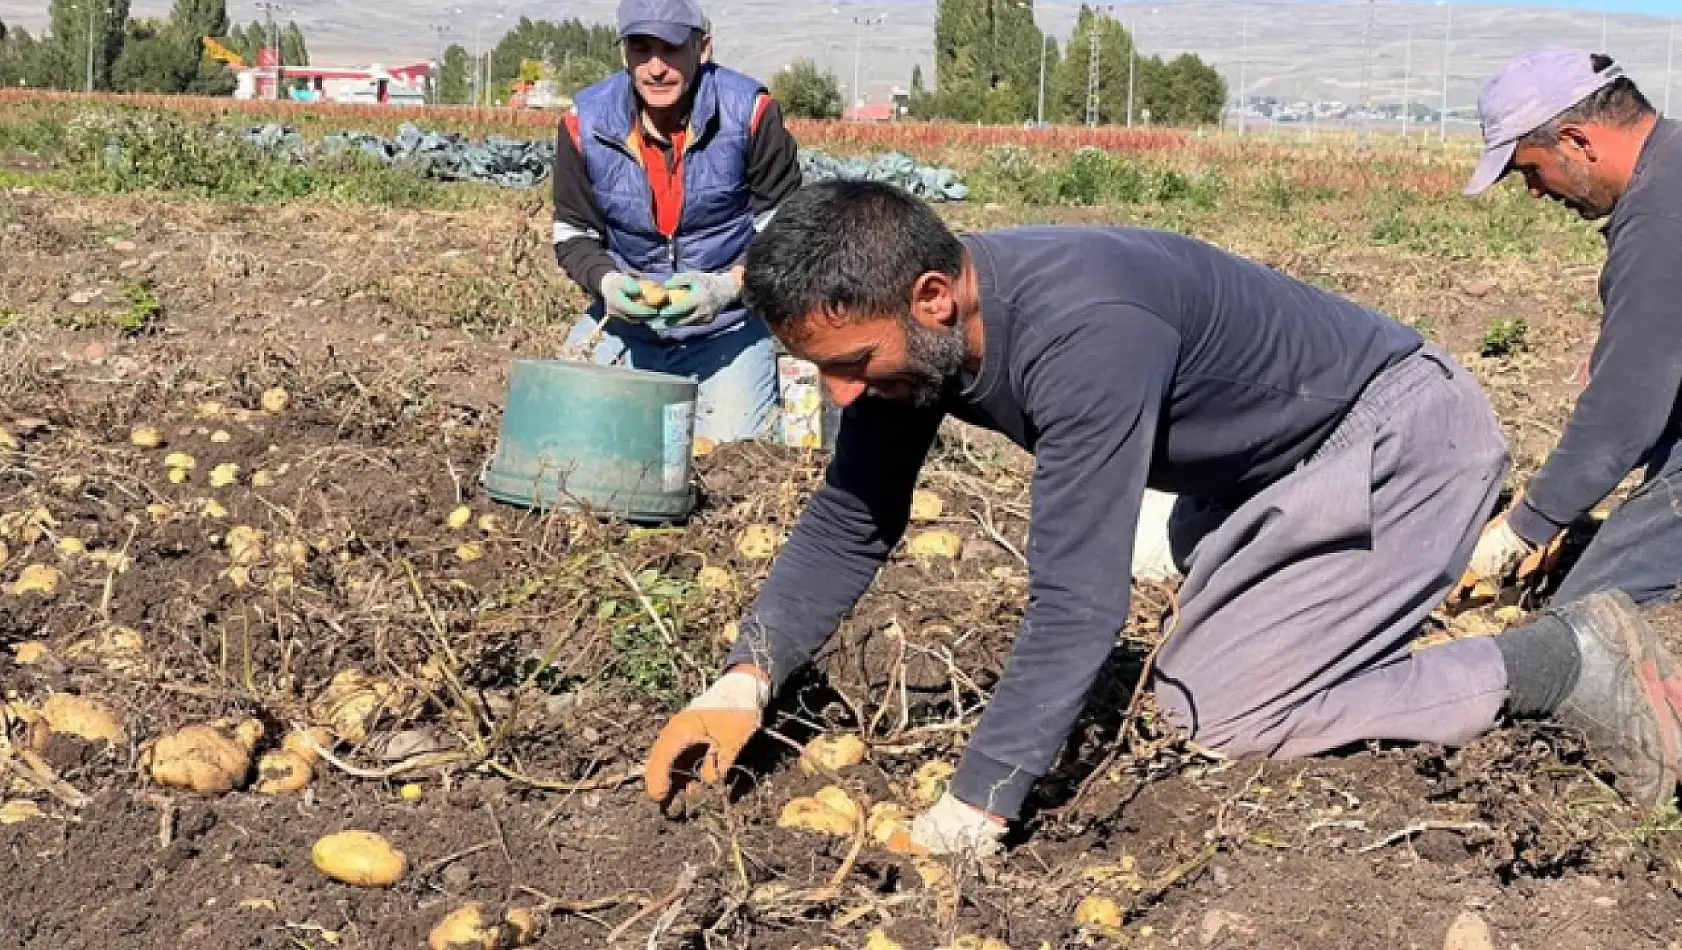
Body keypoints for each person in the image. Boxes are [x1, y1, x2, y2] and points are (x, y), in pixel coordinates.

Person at [641, 180, 1682, 860]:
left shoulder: (1081, 331)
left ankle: (1559, 660)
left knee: (1219, 709)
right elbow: (850, 517)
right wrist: (743, 678)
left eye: (847, 365)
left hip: (1400, 438)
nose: (835, 395)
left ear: (929, 295)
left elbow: (1074, 603)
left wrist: (974, 805)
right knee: (1142, 570)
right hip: (1258, 467)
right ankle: (1336, 602)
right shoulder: (921, 338)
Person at [1455, 48, 1682, 808]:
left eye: (1528, 170)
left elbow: (1626, 406)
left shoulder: (1662, 215)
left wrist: (1526, 527)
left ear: (1579, 141)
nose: (1532, 191)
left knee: (1579, 630)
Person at [551, 0, 802, 446]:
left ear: (702, 49)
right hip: (626, 325)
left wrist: (728, 287)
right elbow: (574, 232)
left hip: (727, 327)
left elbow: (785, 232)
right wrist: (608, 283)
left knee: (731, 452)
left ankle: (773, 395)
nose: (656, 68)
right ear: (623, 54)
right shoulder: (583, 123)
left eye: (671, 49)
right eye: (641, 49)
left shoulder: (751, 113)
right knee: (569, 430)